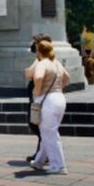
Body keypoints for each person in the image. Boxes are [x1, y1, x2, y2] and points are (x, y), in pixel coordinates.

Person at [27, 41, 70, 174]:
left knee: (49, 133)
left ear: (39, 51)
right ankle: (39, 161)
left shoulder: (42, 63)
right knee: (47, 132)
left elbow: (38, 77)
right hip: (59, 98)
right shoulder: (56, 63)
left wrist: (37, 91)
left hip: (48, 100)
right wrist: (58, 88)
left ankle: (59, 166)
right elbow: (67, 78)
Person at [25, 33, 52, 162]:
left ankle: (44, 154)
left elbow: (30, 73)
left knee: (36, 125)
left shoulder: (42, 60)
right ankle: (41, 153)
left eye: (35, 43)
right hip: (38, 97)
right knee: (37, 125)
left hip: (39, 98)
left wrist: (36, 93)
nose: (33, 46)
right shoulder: (41, 59)